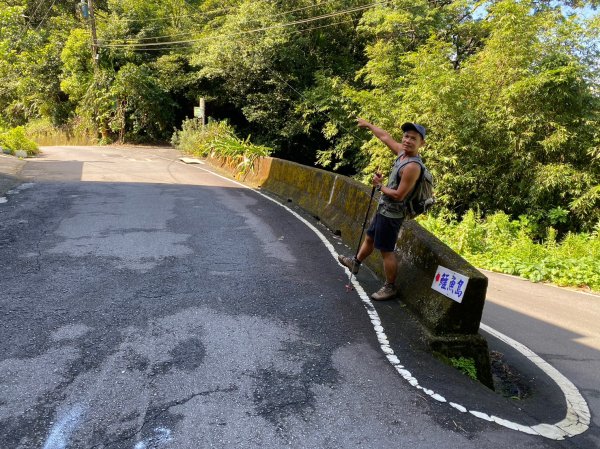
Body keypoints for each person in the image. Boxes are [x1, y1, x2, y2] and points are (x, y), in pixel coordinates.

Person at [338, 119, 427, 301]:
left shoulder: (412, 166)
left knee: (386, 250)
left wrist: (380, 186)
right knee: (370, 237)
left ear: (421, 143)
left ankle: (390, 287)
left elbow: (399, 195)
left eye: (413, 138)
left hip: (393, 213)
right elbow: (385, 136)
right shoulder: (402, 154)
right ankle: (355, 263)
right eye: (406, 136)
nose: (408, 140)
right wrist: (369, 126)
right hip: (384, 208)